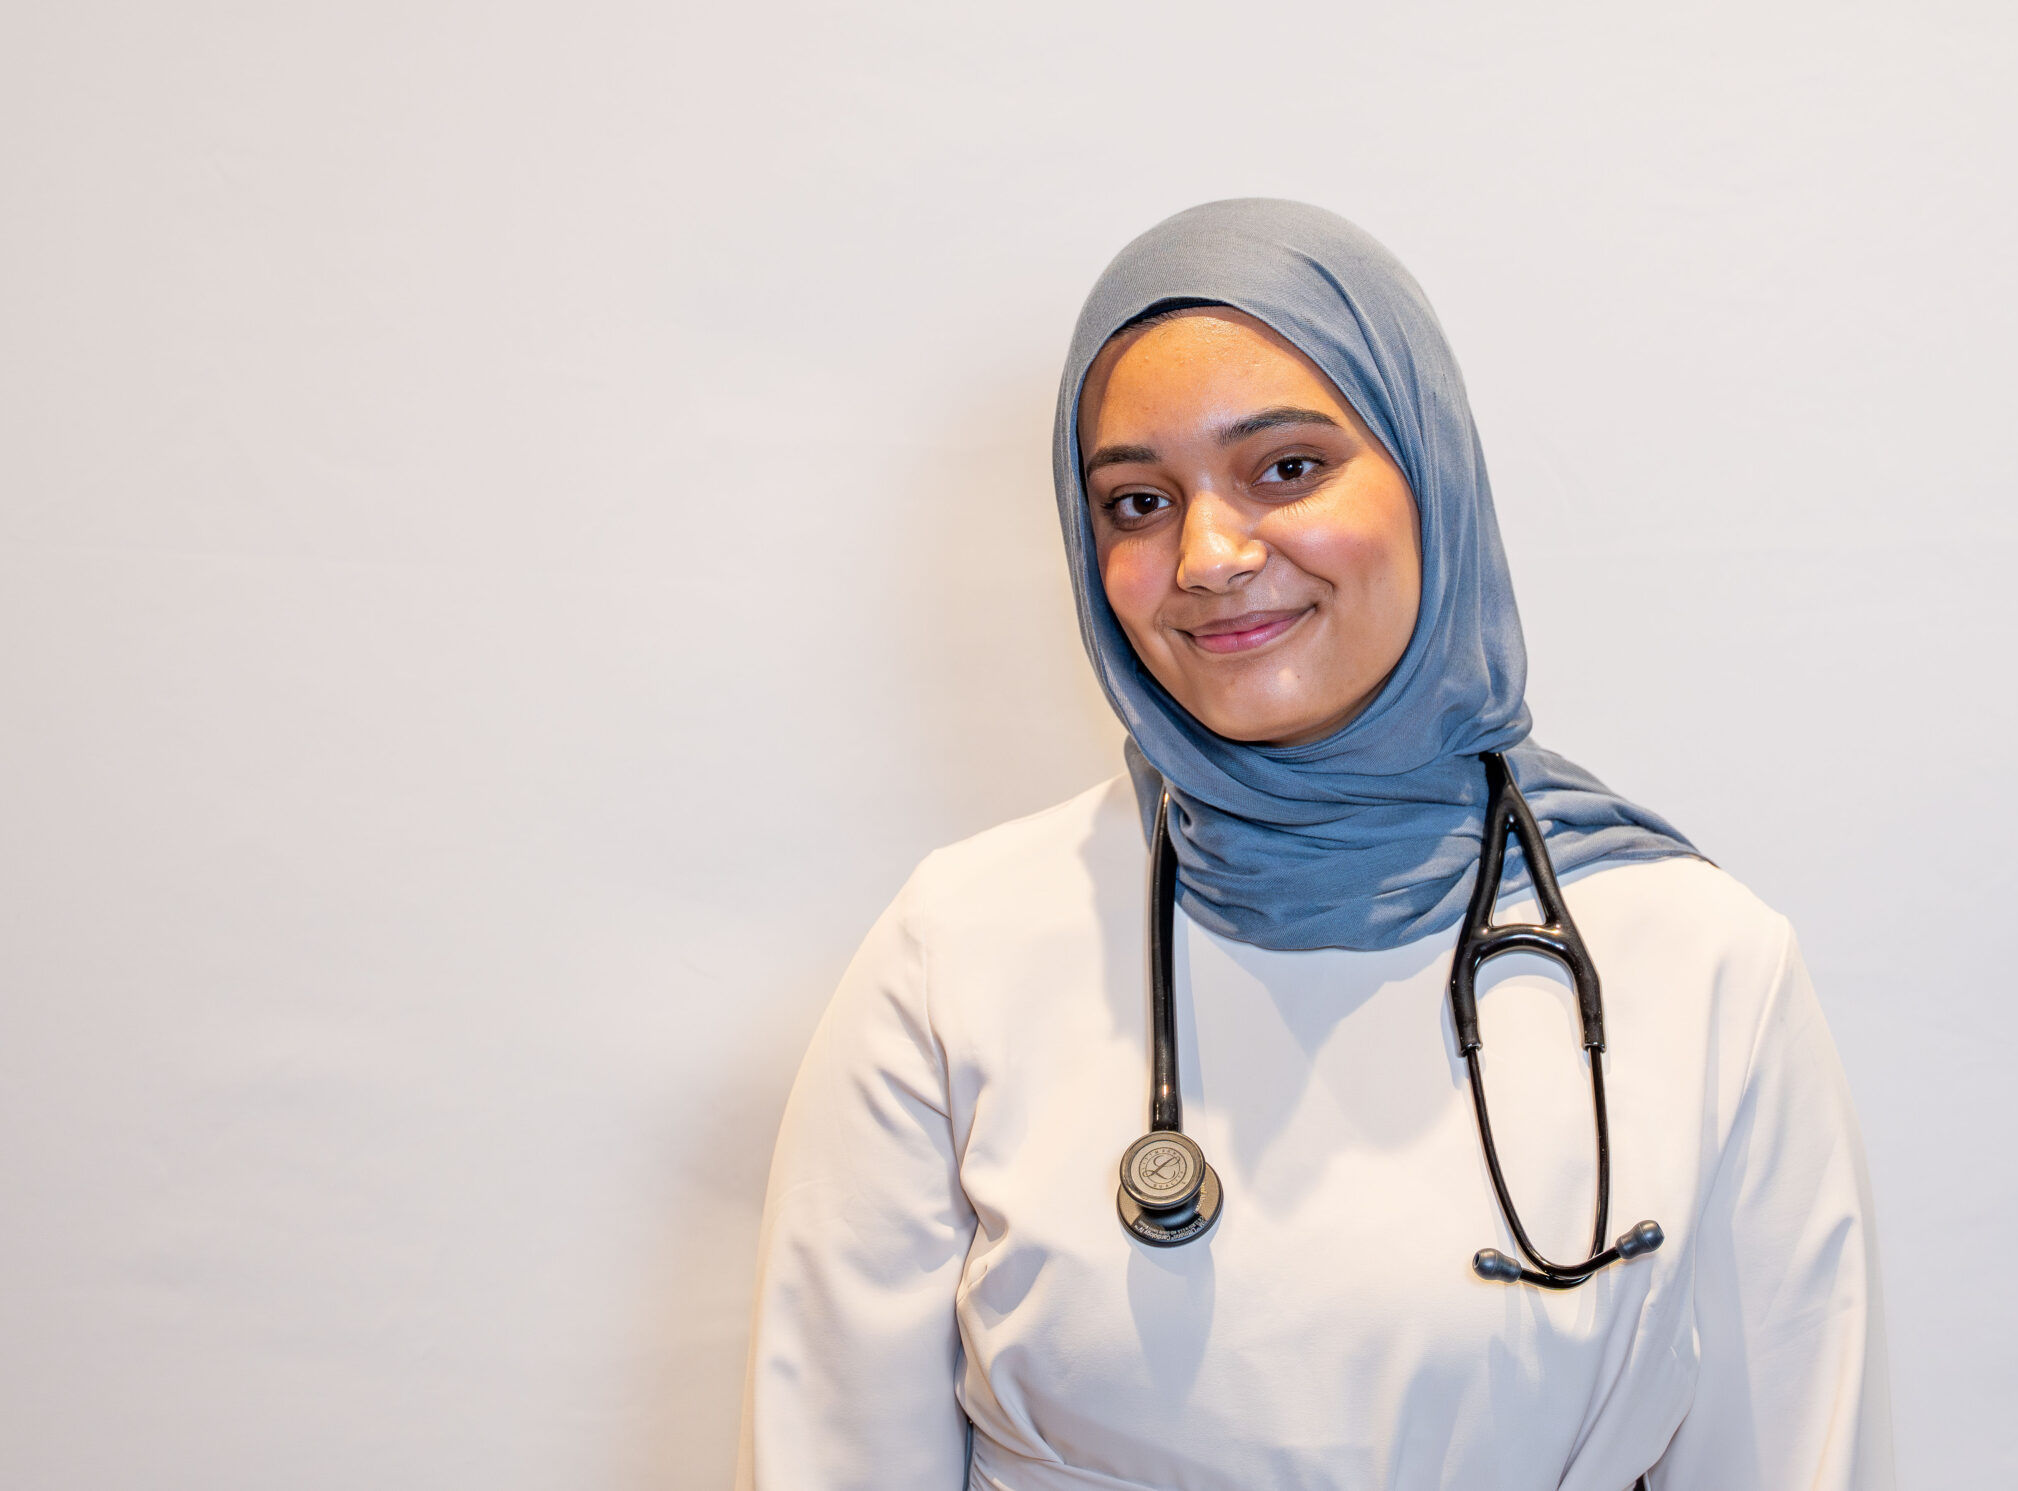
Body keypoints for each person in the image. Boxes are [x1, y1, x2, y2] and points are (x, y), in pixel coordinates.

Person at [736, 200, 1893, 1490]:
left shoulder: (1700, 965)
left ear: (1430, 476)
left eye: (1286, 469)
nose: (1209, 556)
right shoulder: (957, 956)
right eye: (1137, 501)